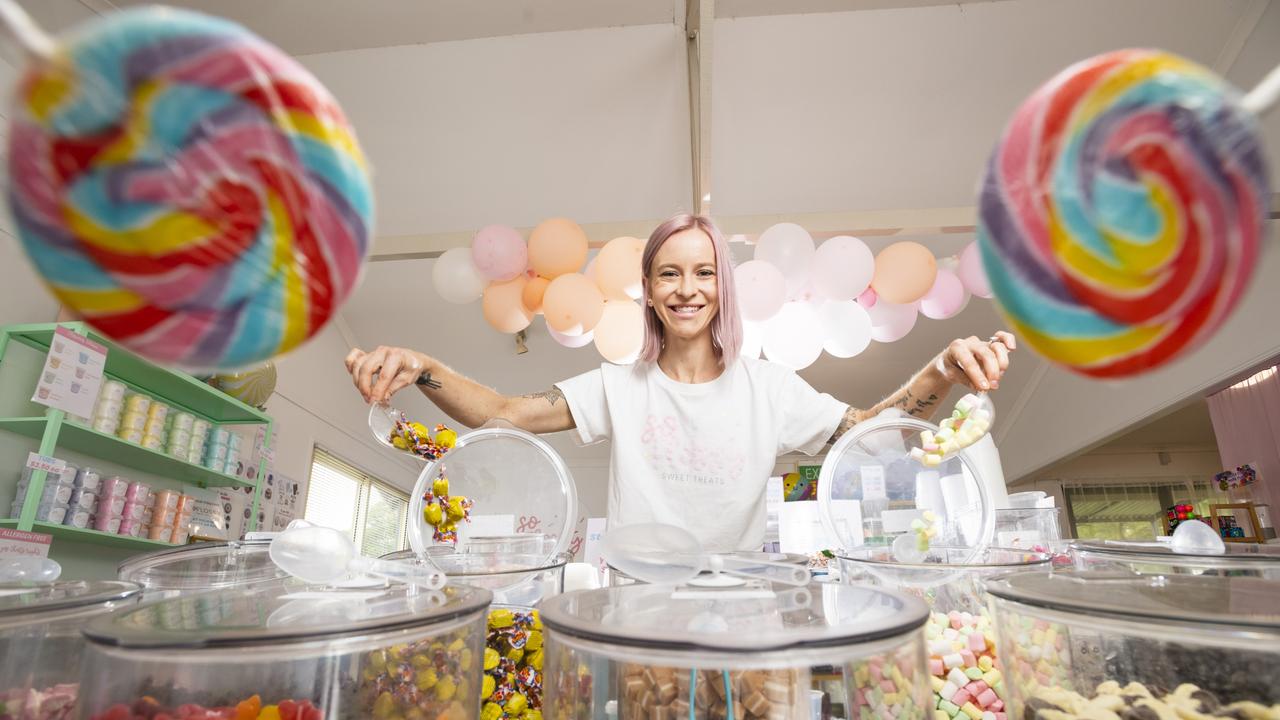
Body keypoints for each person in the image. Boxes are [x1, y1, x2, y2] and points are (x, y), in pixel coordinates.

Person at [346, 213, 1015, 552]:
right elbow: (503, 414)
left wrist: (940, 372)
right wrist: (425, 368)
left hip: (742, 621)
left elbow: (870, 439)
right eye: (669, 273)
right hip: (637, 617)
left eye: (702, 273)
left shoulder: (770, 390)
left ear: (721, 285)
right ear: (651, 290)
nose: (687, 288)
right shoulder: (621, 385)